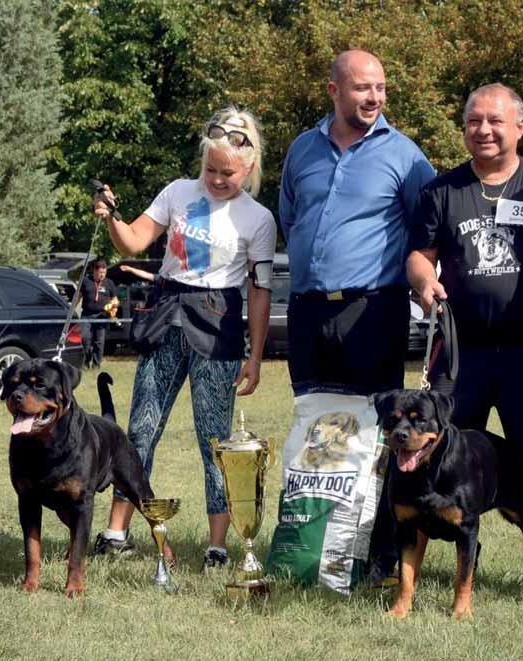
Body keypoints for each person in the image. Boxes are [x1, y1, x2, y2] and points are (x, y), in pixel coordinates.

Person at [406, 83, 523, 595]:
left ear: (520, 127)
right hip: (462, 355)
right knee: (429, 454)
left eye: (495, 121)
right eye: (473, 121)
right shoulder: (440, 191)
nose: (483, 130)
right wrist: (424, 280)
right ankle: (409, 574)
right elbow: (420, 254)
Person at [91, 107, 277, 570]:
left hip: (218, 324)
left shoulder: (259, 219)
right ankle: (116, 532)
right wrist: (111, 216)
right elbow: (133, 243)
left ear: (248, 168)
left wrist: (254, 358)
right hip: (167, 312)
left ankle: (217, 545)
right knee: (140, 429)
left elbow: (259, 291)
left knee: (213, 440)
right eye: (210, 169)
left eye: (228, 173)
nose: (216, 179)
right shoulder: (176, 192)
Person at [278, 49, 436, 582]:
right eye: (362, 88)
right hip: (306, 311)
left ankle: (381, 554)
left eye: (381, 88)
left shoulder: (406, 155)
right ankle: (316, 546)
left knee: (379, 433)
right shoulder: (302, 148)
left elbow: (427, 230)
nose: (374, 97)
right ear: (334, 91)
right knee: (316, 431)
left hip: (373, 309)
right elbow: (291, 216)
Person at [79, 259, 119, 369]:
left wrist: (114, 308)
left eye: (104, 273)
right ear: (94, 271)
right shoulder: (86, 281)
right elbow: (78, 297)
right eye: (100, 272)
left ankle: (96, 365)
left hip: (102, 316)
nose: (102, 275)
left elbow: (115, 299)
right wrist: (71, 310)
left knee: (99, 342)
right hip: (86, 315)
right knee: (85, 338)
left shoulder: (109, 283)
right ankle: (85, 364)